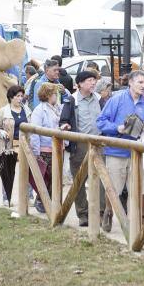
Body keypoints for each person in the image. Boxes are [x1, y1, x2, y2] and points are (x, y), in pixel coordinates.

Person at [97, 70, 144, 232]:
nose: (143, 86)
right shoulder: (116, 100)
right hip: (116, 152)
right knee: (113, 190)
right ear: (130, 82)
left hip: (137, 155)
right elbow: (100, 122)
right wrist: (119, 128)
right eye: (140, 82)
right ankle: (108, 212)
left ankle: (131, 224)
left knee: (136, 190)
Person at [59, 69, 101, 226]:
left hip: (98, 144)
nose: (93, 83)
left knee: (101, 180)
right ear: (80, 84)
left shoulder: (99, 98)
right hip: (80, 145)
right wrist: (65, 125)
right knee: (79, 181)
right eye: (90, 80)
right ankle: (83, 215)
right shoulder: (72, 100)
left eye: (94, 80)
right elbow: (63, 120)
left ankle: (99, 213)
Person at [0, 85, 32, 206]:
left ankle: (28, 197)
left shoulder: (27, 110)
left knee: (28, 171)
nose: (20, 99)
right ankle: (6, 197)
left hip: (25, 144)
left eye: (21, 96)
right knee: (8, 172)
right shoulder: (3, 111)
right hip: (8, 146)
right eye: (17, 96)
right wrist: (3, 132)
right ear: (11, 97)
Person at [29, 83, 63, 213]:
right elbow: (34, 132)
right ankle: (41, 200)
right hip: (45, 148)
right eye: (55, 93)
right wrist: (36, 151)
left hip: (58, 148)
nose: (56, 96)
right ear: (48, 95)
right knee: (47, 178)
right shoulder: (39, 110)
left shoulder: (57, 108)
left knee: (56, 179)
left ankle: (52, 203)